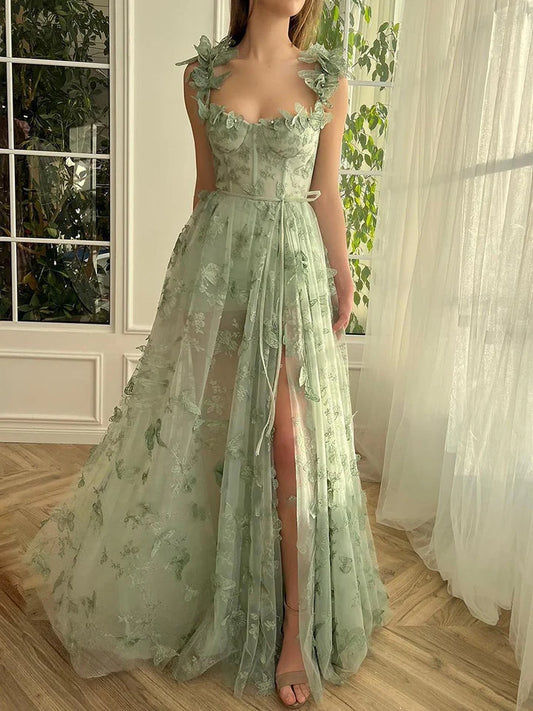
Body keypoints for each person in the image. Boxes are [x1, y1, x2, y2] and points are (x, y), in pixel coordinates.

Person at [23, 1, 392, 709]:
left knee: (289, 442)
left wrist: (343, 274)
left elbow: (326, 192)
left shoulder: (326, 78)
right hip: (218, 268)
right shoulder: (200, 75)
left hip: (289, 269)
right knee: (211, 438)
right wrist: (185, 297)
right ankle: (220, 593)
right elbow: (204, 189)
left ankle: (293, 627)